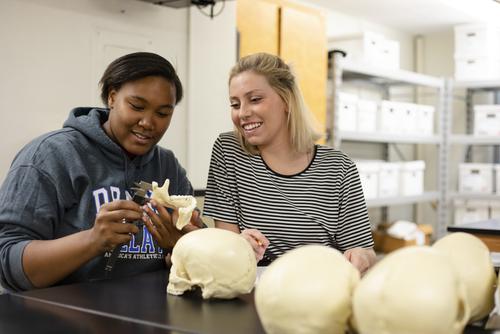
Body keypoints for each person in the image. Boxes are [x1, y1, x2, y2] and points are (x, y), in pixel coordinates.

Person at [0, 52, 203, 292]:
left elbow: (198, 255)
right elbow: (7, 262)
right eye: (137, 106)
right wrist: (92, 240)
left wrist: (181, 246)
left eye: (162, 113)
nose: (148, 123)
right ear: (112, 97)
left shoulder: (167, 166)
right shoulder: (50, 156)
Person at [203, 52, 376, 274]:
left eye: (255, 99)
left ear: (286, 100)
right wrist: (238, 246)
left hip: (321, 293)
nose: (242, 113)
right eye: (235, 104)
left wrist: (361, 257)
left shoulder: (339, 167)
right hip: (253, 295)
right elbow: (225, 245)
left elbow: (365, 253)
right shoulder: (229, 151)